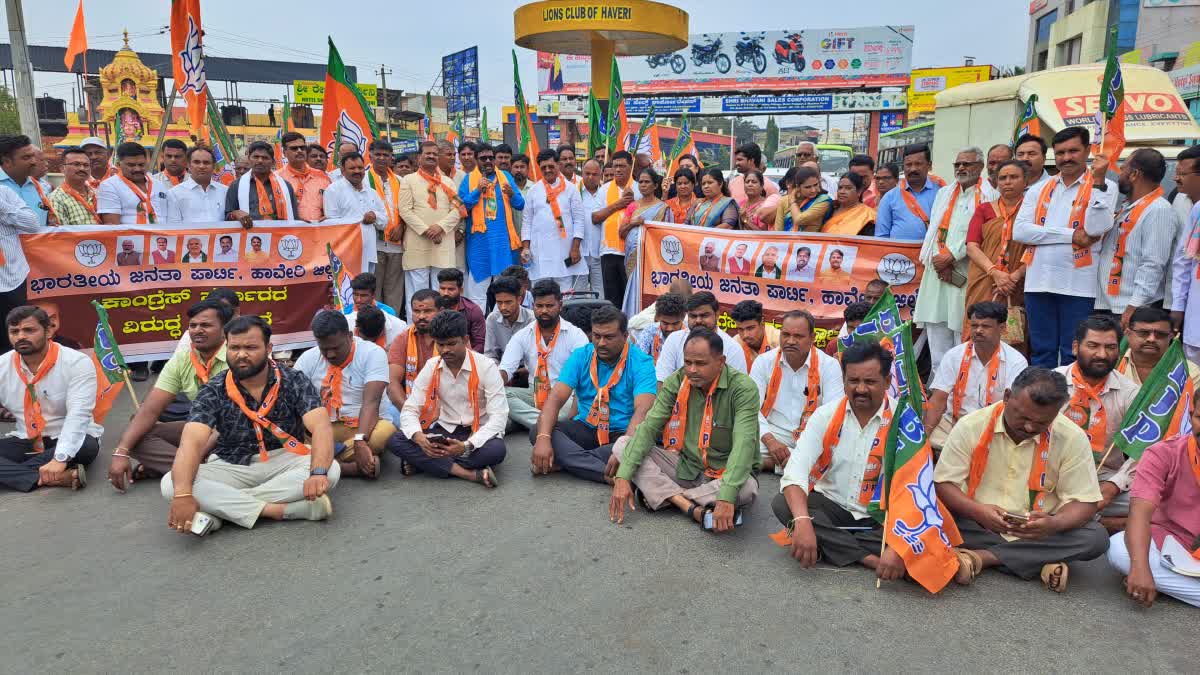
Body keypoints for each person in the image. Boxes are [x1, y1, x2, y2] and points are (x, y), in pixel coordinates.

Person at [160, 316, 339, 535]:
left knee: (330, 470)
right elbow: (191, 442)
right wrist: (182, 496)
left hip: (285, 457)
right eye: (234, 347)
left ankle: (222, 512)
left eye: (251, 347)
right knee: (171, 484)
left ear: (268, 348)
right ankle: (279, 510)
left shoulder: (293, 380)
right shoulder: (214, 389)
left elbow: (320, 427)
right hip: (231, 464)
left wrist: (318, 473)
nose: (241, 354)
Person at [935, 367, 1109, 591]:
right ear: (1007, 397)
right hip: (977, 523)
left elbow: (1086, 502)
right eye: (1023, 416)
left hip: (1039, 530)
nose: (1029, 427)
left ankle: (982, 558)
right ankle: (1040, 561)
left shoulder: (1072, 437)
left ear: (1057, 413)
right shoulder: (971, 425)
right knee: (935, 515)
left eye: (1041, 423)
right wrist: (978, 512)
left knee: (1096, 538)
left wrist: (1053, 524)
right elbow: (943, 484)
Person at [772, 341, 904, 574]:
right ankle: (870, 559)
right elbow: (795, 472)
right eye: (853, 381)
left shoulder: (904, 421)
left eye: (870, 382)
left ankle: (833, 544)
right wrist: (803, 521)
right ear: (843, 381)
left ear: (887, 382)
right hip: (831, 509)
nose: (860, 389)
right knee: (784, 505)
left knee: (921, 544)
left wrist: (897, 544)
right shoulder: (826, 415)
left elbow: (913, 493)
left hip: (880, 518)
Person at [609, 328, 760, 530]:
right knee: (623, 444)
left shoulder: (743, 388)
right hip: (685, 467)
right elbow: (649, 427)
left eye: (700, 363)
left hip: (724, 472)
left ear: (721, 362)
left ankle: (666, 496)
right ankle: (689, 505)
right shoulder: (677, 380)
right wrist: (623, 477)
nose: (692, 370)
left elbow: (744, 444)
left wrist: (725, 497)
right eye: (688, 362)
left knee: (746, 489)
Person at [1014, 127, 1119, 368]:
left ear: (1088, 151)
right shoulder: (1040, 188)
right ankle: (1043, 403)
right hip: (1038, 282)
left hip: (1079, 285)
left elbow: (1095, 228)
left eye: (1073, 151)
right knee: (1041, 352)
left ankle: (1073, 403)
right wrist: (1072, 235)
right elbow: (1020, 232)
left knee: (1075, 352)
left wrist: (1099, 180)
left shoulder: (1104, 187)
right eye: (1060, 152)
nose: (1066, 158)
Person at [108, 300, 231, 491]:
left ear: (225, 329)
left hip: (237, 432)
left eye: (206, 325)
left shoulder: (236, 356)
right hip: (201, 430)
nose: (197, 330)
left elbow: (229, 423)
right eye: (193, 325)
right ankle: (202, 472)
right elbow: (150, 409)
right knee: (137, 433)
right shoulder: (183, 358)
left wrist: (196, 455)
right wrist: (121, 453)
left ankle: (185, 470)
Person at [531, 305, 656, 482]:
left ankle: (566, 462)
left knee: (643, 448)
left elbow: (642, 411)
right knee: (539, 430)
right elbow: (556, 398)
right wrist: (543, 439)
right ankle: (607, 475)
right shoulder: (581, 355)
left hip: (621, 433)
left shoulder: (642, 363)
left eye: (609, 337)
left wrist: (623, 448)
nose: (601, 343)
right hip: (587, 427)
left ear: (625, 336)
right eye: (597, 336)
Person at [389, 310, 507, 487]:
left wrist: (466, 446)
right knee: (395, 440)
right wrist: (419, 437)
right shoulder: (432, 366)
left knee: (497, 451)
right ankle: (468, 474)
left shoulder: (487, 367)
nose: (445, 350)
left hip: (477, 433)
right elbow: (410, 409)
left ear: (466, 340)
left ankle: (424, 463)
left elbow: (499, 417)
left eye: (451, 344)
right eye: (440, 345)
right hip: (445, 432)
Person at [1107, 393, 1200, 608]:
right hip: (1171, 544)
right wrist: (1140, 569)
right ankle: (1152, 579)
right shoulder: (1163, 453)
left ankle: (1165, 584)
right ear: (1191, 414)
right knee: (1118, 549)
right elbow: (1139, 513)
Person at [0, 306, 99, 491]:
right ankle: (54, 478)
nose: (21, 336)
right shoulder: (2, 365)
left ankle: (17, 474)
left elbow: (79, 414)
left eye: (29, 330)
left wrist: (60, 457)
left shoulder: (76, 362)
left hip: (69, 436)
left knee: (86, 447)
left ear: (48, 331)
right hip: (26, 438)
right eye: (14, 331)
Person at [1053, 315, 1138, 529]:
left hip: (1103, 478)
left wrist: (1112, 487)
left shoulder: (1130, 393)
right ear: (1075, 347)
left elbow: (1143, 448)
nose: (1102, 354)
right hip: (1052, 475)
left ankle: (1076, 520)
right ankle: (1103, 524)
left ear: (1119, 351)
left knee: (1158, 501)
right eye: (1093, 346)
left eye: (1110, 347)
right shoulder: (1051, 382)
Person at [915, 147, 995, 368]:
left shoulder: (989, 195)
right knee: (937, 331)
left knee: (962, 330)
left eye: (967, 164)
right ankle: (940, 388)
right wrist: (939, 260)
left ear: (980, 167)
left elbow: (982, 234)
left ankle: (962, 383)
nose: (961, 168)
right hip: (937, 273)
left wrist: (951, 256)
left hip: (966, 270)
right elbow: (933, 232)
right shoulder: (944, 192)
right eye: (958, 164)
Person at [294, 311, 394, 479]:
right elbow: (295, 400)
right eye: (324, 349)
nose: (330, 354)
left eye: (336, 348)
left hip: (363, 427)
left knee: (385, 433)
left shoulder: (373, 353)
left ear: (349, 336)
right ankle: (352, 468)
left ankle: (318, 461)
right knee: (287, 439)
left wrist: (361, 440)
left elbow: (372, 402)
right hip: (323, 428)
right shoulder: (308, 358)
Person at [923, 302, 1028, 449]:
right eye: (974, 326)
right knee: (930, 435)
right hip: (955, 424)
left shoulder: (1016, 361)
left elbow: (1012, 405)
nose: (978, 331)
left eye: (985, 326)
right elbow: (939, 399)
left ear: (1002, 328)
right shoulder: (954, 355)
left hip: (995, 427)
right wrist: (923, 437)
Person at [752, 310, 843, 475]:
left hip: (813, 434)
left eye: (798, 336)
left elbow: (833, 415)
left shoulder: (829, 366)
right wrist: (770, 440)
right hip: (774, 433)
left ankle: (772, 464)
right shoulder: (764, 362)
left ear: (812, 337)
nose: (790, 341)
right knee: (740, 447)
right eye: (785, 334)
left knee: (837, 457)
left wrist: (808, 445)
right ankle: (794, 464)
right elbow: (751, 408)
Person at [1095, 148, 1175, 325]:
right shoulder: (1128, 207)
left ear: (1134, 174)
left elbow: (1153, 263)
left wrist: (1134, 306)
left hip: (1133, 309)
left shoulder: (1158, 210)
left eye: (1123, 169)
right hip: (1110, 305)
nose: (1119, 175)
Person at [499, 280, 588, 429]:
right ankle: (550, 424)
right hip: (535, 394)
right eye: (539, 306)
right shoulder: (523, 335)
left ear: (560, 305)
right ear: (533, 306)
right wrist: (492, 383)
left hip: (565, 396)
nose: (544, 311)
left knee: (577, 407)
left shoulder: (575, 335)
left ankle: (526, 421)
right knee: (501, 395)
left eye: (549, 306)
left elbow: (584, 375)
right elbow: (506, 369)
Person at [965, 160, 1030, 341]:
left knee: (1015, 337)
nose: (1007, 182)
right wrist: (995, 273)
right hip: (985, 279)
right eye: (1002, 178)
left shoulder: (1034, 211)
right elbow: (972, 246)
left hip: (1019, 283)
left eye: (1013, 177)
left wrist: (1014, 276)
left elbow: (1038, 248)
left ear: (1026, 181)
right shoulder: (984, 209)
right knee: (979, 330)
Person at [399, 141, 464, 315]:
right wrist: (428, 230)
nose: (431, 156)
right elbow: (404, 210)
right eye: (427, 153)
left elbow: (458, 209)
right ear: (419, 157)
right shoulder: (409, 180)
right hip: (417, 245)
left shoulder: (448, 182)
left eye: (435, 154)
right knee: (416, 296)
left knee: (442, 294)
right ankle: (414, 334)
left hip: (442, 244)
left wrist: (440, 227)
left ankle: (441, 331)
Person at [461, 143, 524, 306]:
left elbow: (520, 204)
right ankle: (478, 331)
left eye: (490, 157)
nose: (488, 161)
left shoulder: (505, 177)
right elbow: (461, 208)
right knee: (477, 295)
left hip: (502, 244)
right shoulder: (468, 180)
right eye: (483, 158)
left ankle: (502, 329)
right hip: (479, 246)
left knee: (504, 293)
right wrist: (476, 191)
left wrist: (512, 195)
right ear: (476, 160)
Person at [522, 149, 588, 288]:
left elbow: (579, 220)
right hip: (539, 252)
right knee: (540, 293)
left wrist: (575, 248)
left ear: (558, 165)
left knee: (564, 297)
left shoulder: (571, 189)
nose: (547, 170)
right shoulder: (533, 191)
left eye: (551, 166)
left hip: (564, 250)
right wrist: (526, 248)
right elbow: (527, 222)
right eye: (543, 167)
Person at [655, 292, 748, 382]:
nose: (698, 320)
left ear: (717, 315)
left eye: (704, 315)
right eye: (693, 316)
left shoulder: (733, 349)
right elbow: (662, 380)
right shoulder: (674, 340)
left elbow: (739, 388)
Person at [323, 151, 388, 274]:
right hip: (345, 255)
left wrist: (375, 216)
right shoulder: (333, 190)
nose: (357, 171)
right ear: (342, 170)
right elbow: (332, 224)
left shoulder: (371, 192)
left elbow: (384, 221)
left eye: (360, 168)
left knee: (366, 291)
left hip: (369, 253)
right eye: (352, 168)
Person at [594, 150, 640, 307]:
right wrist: (618, 205)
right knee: (612, 298)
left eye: (622, 166)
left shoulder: (640, 188)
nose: (618, 170)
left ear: (631, 167)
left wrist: (635, 204)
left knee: (631, 296)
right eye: (615, 166)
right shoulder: (604, 189)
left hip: (633, 252)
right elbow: (595, 218)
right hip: (609, 252)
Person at [386, 289, 440, 417]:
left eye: (427, 311)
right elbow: (392, 382)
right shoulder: (403, 338)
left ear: (440, 311)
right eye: (416, 311)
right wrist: (410, 414)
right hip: (410, 406)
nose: (421, 316)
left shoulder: (452, 338)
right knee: (389, 414)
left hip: (445, 408)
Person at [1169, 145, 1200, 364]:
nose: (1176, 179)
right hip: (1195, 317)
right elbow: (1184, 262)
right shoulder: (1197, 210)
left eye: (1182, 173)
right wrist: (1178, 306)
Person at [366, 140, 405, 309]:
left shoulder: (400, 180)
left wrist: (402, 226)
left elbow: (406, 207)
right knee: (375, 289)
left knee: (394, 290)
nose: (381, 158)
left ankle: (393, 325)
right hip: (374, 244)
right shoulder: (364, 179)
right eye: (378, 155)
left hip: (397, 243)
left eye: (386, 155)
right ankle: (375, 325)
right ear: (370, 156)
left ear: (391, 158)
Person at [1118, 306, 1200, 386]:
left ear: (1171, 337)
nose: (1151, 339)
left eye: (1160, 334)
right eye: (1143, 333)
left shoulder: (1187, 370)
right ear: (1128, 334)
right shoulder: (1113, 363)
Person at [875, 144, 943, 240]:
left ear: (929, 165)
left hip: (934, 253)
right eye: (908, 165)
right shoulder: (890, 197)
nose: (913, 169)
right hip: (898, 254)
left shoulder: (942, 192)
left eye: (918, 164)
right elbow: (881, 237)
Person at [226, 142, 299, 224]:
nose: (260, 161)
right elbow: (227, 216)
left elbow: (294, 217)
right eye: (256, 157)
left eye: (265, 158)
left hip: (279, 235)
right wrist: (236, 214)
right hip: (248, 235)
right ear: (249, 159)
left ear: (273, 162)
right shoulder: (236, 185)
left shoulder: (285, 186)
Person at [98, 142, 168, 224]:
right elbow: (112, 226)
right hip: (129, 236)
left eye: (141, 165)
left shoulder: (159, 185)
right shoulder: (109, 186)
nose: (137, 169)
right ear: (119, 165)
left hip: (162, 235)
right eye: (131, 165)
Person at [276, 131, 331, 222]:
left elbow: (333, 204)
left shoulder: (322, 176)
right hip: (291, 232)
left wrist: (329, 216)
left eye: (302, 147)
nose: (299, 151)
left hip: (320, 231)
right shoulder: (277, 178)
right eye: (294, 148)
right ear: (285, 152)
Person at [166, 145, 228, 223]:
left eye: (206, 162)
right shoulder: (174, 193)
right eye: (196, 162)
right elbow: (174, 226)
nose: (201, 166)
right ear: (188, 165)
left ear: (213, 166)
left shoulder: (225, 191)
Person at [345, 272, 406, 348]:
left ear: (373, 295)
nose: (358, 300)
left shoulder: (389, 313)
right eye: (355, 294)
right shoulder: (344, 314)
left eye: (364, 295)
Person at [484, 275, 533, 362]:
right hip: (501, 370)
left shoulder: (532, 319)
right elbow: (490, 354)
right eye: (499, 302)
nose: (503, 307)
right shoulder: (492, 319)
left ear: (519, 300)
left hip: (527, 370)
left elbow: (535, 355)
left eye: (508, 302)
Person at [48, 146, 100, 225]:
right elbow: (61, 234)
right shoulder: (56, 198)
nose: (82, 168)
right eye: (76, 164)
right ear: (62, 168)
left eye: (86, 165)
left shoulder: (97, 193)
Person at [436, 268, 485, 352]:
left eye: (451, 289)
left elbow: (479, 344)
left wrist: (468, 360)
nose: (445, 293)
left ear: (461, 290)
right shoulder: (433, 308)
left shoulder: (473, 310)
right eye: (442, 288)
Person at [578, 158, 607, 296]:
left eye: (594, 174)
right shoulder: (575, 192)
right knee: (578, 293)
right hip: (578, 252)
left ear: (600, 175)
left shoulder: (606, 194)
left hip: (599, 252)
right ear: (582, 173)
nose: (590, 177)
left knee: (600, 293)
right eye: (587, 173)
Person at [635, 291, 686, 364]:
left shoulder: (689, 335)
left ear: (683, 317)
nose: (670, 328)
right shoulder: (650, 331)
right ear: (658, 317)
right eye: (665, 323)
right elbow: (638, 361)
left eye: (675, 323)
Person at [775, 166, 830, 232]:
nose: (813, 190)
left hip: (809, 241)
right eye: (807, 187)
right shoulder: (784, 201)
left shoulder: (823, 200)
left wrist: (793, 202)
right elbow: (778, 230)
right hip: (786, 241)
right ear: (798, 187)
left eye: (815, 185)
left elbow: (798, 219)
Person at [731, 300, 779, 367]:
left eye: (750, 328)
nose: (745, 335)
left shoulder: (778, 341)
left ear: (762, 323)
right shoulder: (735, 344)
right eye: (740, 329)